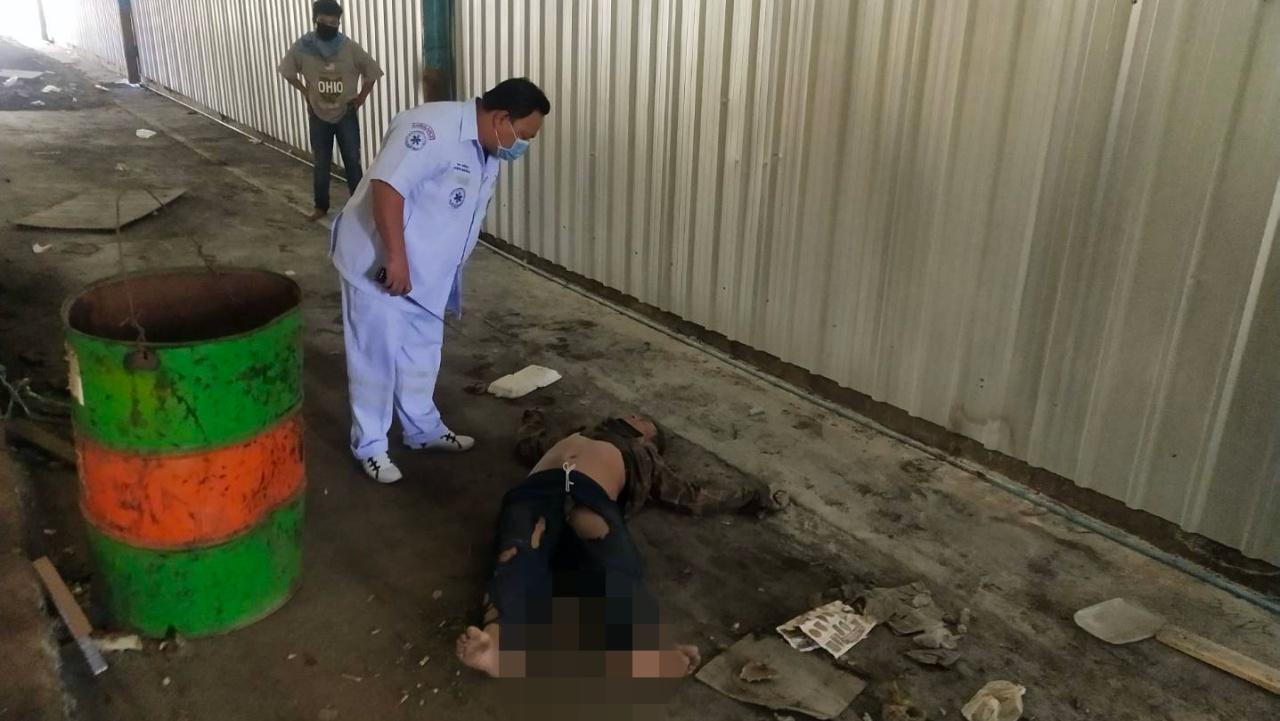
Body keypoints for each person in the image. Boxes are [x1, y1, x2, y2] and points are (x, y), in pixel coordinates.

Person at [330, 78, 550, 483]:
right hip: (380, 265)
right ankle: (372, 446)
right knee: (375, 357)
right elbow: (388, 187)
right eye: (524, 135)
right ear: (501, 118)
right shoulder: (431, 129)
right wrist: (396, 257)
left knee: (422, 352)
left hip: (427, 275)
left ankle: (421, 429)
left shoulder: (487, 149)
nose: (523, 146)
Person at [456, 413, 705, 679]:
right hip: (535, 493)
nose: (633, 415)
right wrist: (534, 418)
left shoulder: (644, 454)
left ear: (649, 439)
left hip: (589, 493)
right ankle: (495, 645)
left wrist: (737, 499)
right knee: (515, 552)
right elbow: (529, 442)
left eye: (643, 420)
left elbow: (688, 495)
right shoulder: (577, 432)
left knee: (613, 558)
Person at [278, 0, 383, 221]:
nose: (328, 26)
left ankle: (359, 208)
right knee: (321, 163)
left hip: (346, 114)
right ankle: (321, 207)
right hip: (318, 114)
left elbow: (372, 71)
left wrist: (361, 98)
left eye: (333, 22)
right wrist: (305, 92)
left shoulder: (349, 48)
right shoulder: (303, 47)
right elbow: (287, 71)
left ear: (339, 24)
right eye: (323, 21)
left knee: (352, 161)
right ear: (314, 20)